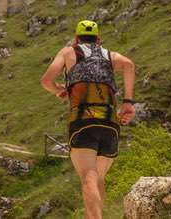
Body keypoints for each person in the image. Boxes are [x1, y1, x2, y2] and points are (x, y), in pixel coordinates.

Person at [41, 20, 136, 219]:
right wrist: (127, 102)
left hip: (83, 121)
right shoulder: (109, 55)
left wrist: (59, 90)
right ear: (98, 39)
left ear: (77, 38)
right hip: (110, 122)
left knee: (88, 177)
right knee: (98, 179)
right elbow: (129, 64)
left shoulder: (69, 52)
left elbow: (46, 81)